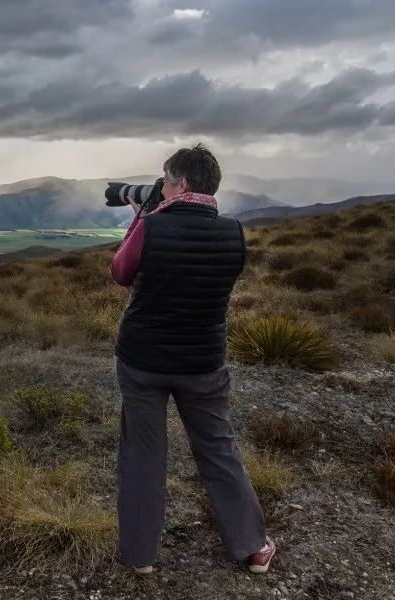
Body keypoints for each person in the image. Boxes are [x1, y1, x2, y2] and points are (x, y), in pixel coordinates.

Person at [108, 144, 275, 575]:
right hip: (203, 361)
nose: (161, 187)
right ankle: (253, 547)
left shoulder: (151, 226)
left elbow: (120, 273)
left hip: (143, 360)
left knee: (143, 453)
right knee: (218, 448)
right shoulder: (233, 232)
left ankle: (140, 556)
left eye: (165, 180)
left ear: (181, 184)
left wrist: (141, 217)